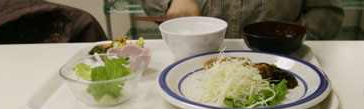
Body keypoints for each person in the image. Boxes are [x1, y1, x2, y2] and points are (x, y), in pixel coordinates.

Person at [141, 0, 344, 40]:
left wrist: (293, 39)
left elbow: (327, 11)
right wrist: (170, 3)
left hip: (278, 64)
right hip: (192, 62)